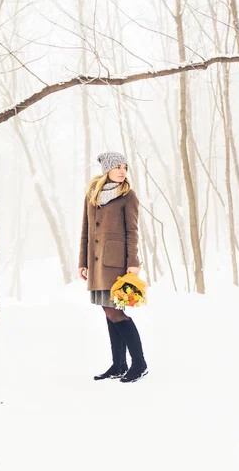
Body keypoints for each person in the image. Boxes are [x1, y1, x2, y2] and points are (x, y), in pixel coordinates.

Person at [78, 151, 148, 383]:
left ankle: (139, 364)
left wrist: (133, 263)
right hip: (96, 262)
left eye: (125, 167)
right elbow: (85, 230)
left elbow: (132, 232)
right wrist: (82, 262)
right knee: (108, 311)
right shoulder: (92, 196)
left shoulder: (128, 196)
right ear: (107, 169)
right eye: (117, 167)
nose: (122, 171)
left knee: (114, 311)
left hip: (117, 263)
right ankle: (119, 364)